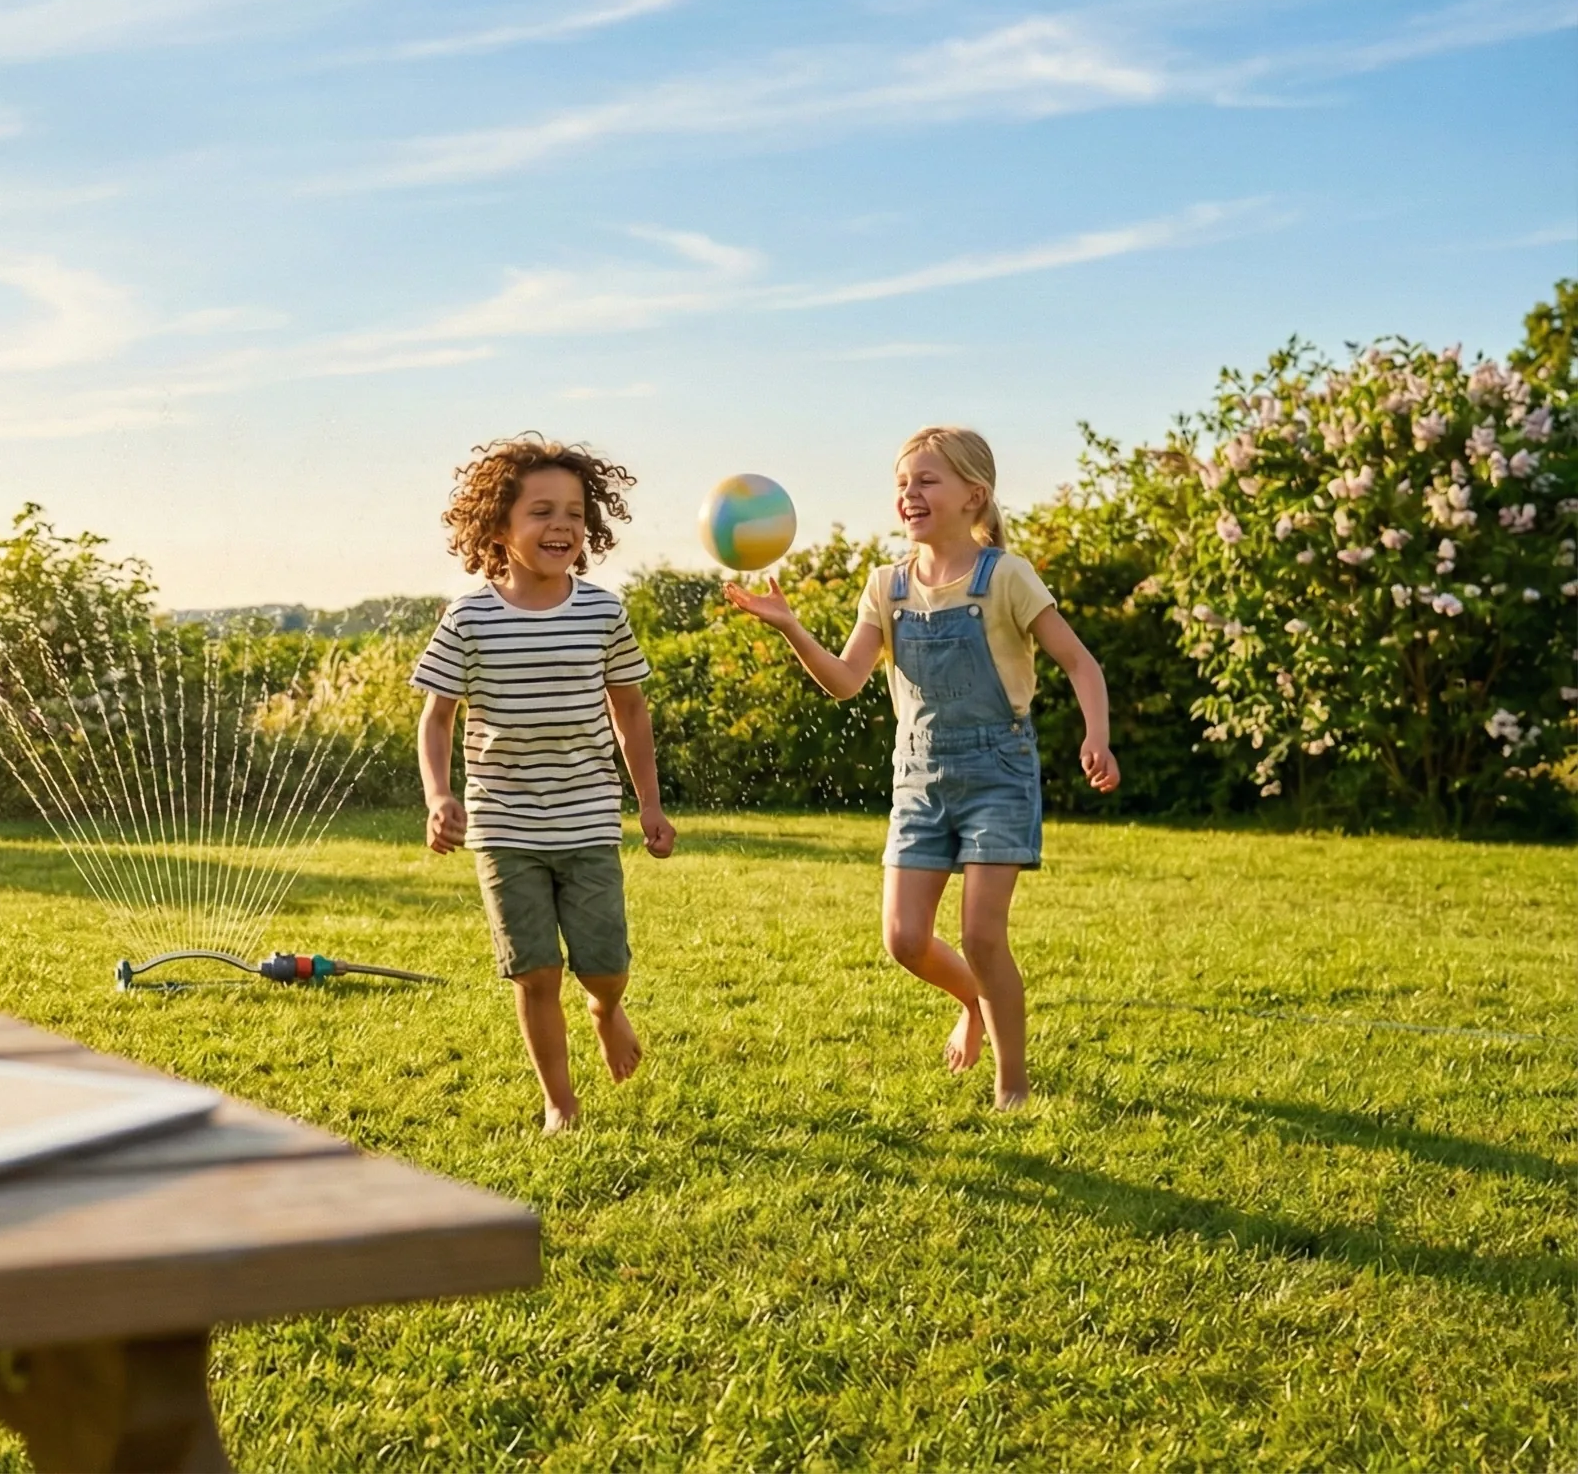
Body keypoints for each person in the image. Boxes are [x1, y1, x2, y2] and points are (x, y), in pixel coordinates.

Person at [723, 426, 1118, 1109]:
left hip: (999, 770)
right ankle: (973, 1002)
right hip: (919, 778)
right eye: (903, 483)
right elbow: (847, 680)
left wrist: (1098, 736)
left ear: (975, 495)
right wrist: (790, 625)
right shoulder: (887, 585)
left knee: (981, 933)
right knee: (905, 940)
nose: (910, 494)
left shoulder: (1008, 576)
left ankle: (1012, 1086)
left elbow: (1081, 662)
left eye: (927, 481)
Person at [413, 435, 677, 1135]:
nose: (561, 525)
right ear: (499, 527)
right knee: (534, 973)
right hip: (504, 827)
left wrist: (649, 803)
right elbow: (436, 719)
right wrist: (441, 796)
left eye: (574, 512)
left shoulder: (601, 613)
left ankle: (607, 1010)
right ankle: (560, 1101)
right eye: (541, 512)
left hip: (588, 820)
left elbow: (631, 709)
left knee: (603, 967)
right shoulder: (469, 618)